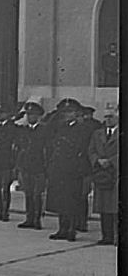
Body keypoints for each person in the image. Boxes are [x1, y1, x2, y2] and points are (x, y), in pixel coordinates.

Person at [45, 99, 89, 241]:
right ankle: (62, 229)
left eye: (70, 112)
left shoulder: (82, 128)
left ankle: (71, 230)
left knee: (72, 201)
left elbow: (83, 149)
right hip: (59, 168)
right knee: (60, 200)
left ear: (76, 113)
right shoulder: (60, 127)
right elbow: (50, 137)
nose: (67, 115)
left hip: (73, 170)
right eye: (64, 112)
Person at [88, 106, 119, 245]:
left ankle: (117, 237)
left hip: (116, 174)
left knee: (116, 207)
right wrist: (97, 160)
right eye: (105, 117)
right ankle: (106, 236)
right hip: (101, 174)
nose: (107, 119)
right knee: (103, 207)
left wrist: (111, 161)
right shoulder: (97, 133)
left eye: (110, 116)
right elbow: (91, 150)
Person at [14, 100, 47, 229]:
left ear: (38, 116)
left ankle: (37, 219)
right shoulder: (23, 130)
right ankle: (29, 218)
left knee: (37, 194)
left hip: (39, 167)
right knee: (28, 193)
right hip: (26, 166)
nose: (29, 117)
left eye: (32, 114)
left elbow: (46, 149)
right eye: (27, 114)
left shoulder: (44, 130)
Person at [74, 105, 102, 232]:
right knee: (77, 196)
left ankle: (82, 222)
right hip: (76, 168)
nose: (84, 118)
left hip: (87, 168)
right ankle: (77, 221)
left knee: (83, 195)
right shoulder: (76, 129)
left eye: (84, 115)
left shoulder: (93, 127)